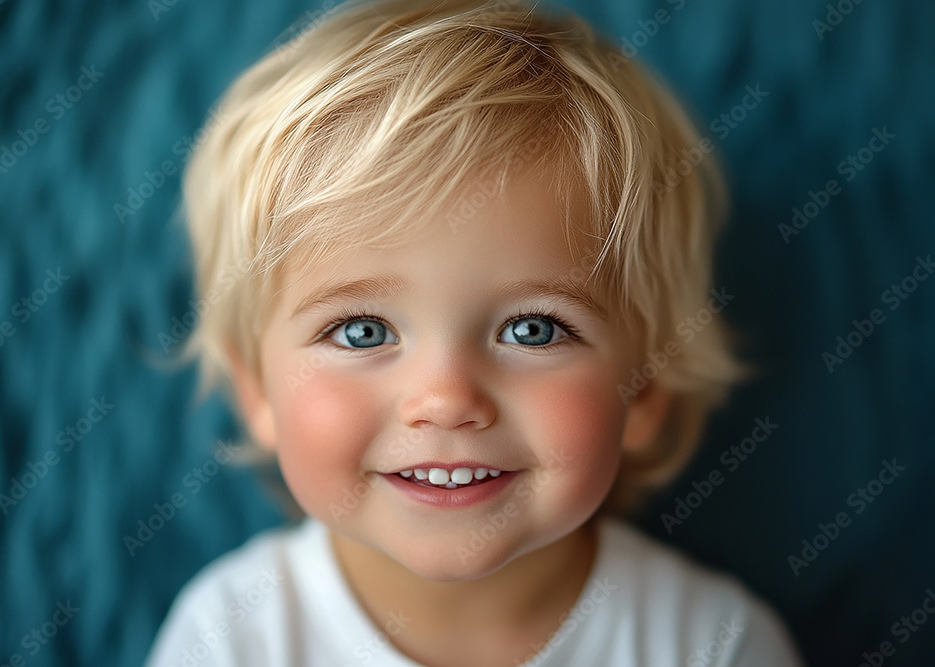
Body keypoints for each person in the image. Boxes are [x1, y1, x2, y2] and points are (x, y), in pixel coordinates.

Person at [146, 0, 804, 664]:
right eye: (362, 331)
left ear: (648, 387)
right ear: (256, 388)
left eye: (533, 329)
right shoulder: (230, 636)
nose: (447, 397)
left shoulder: (711, 644)